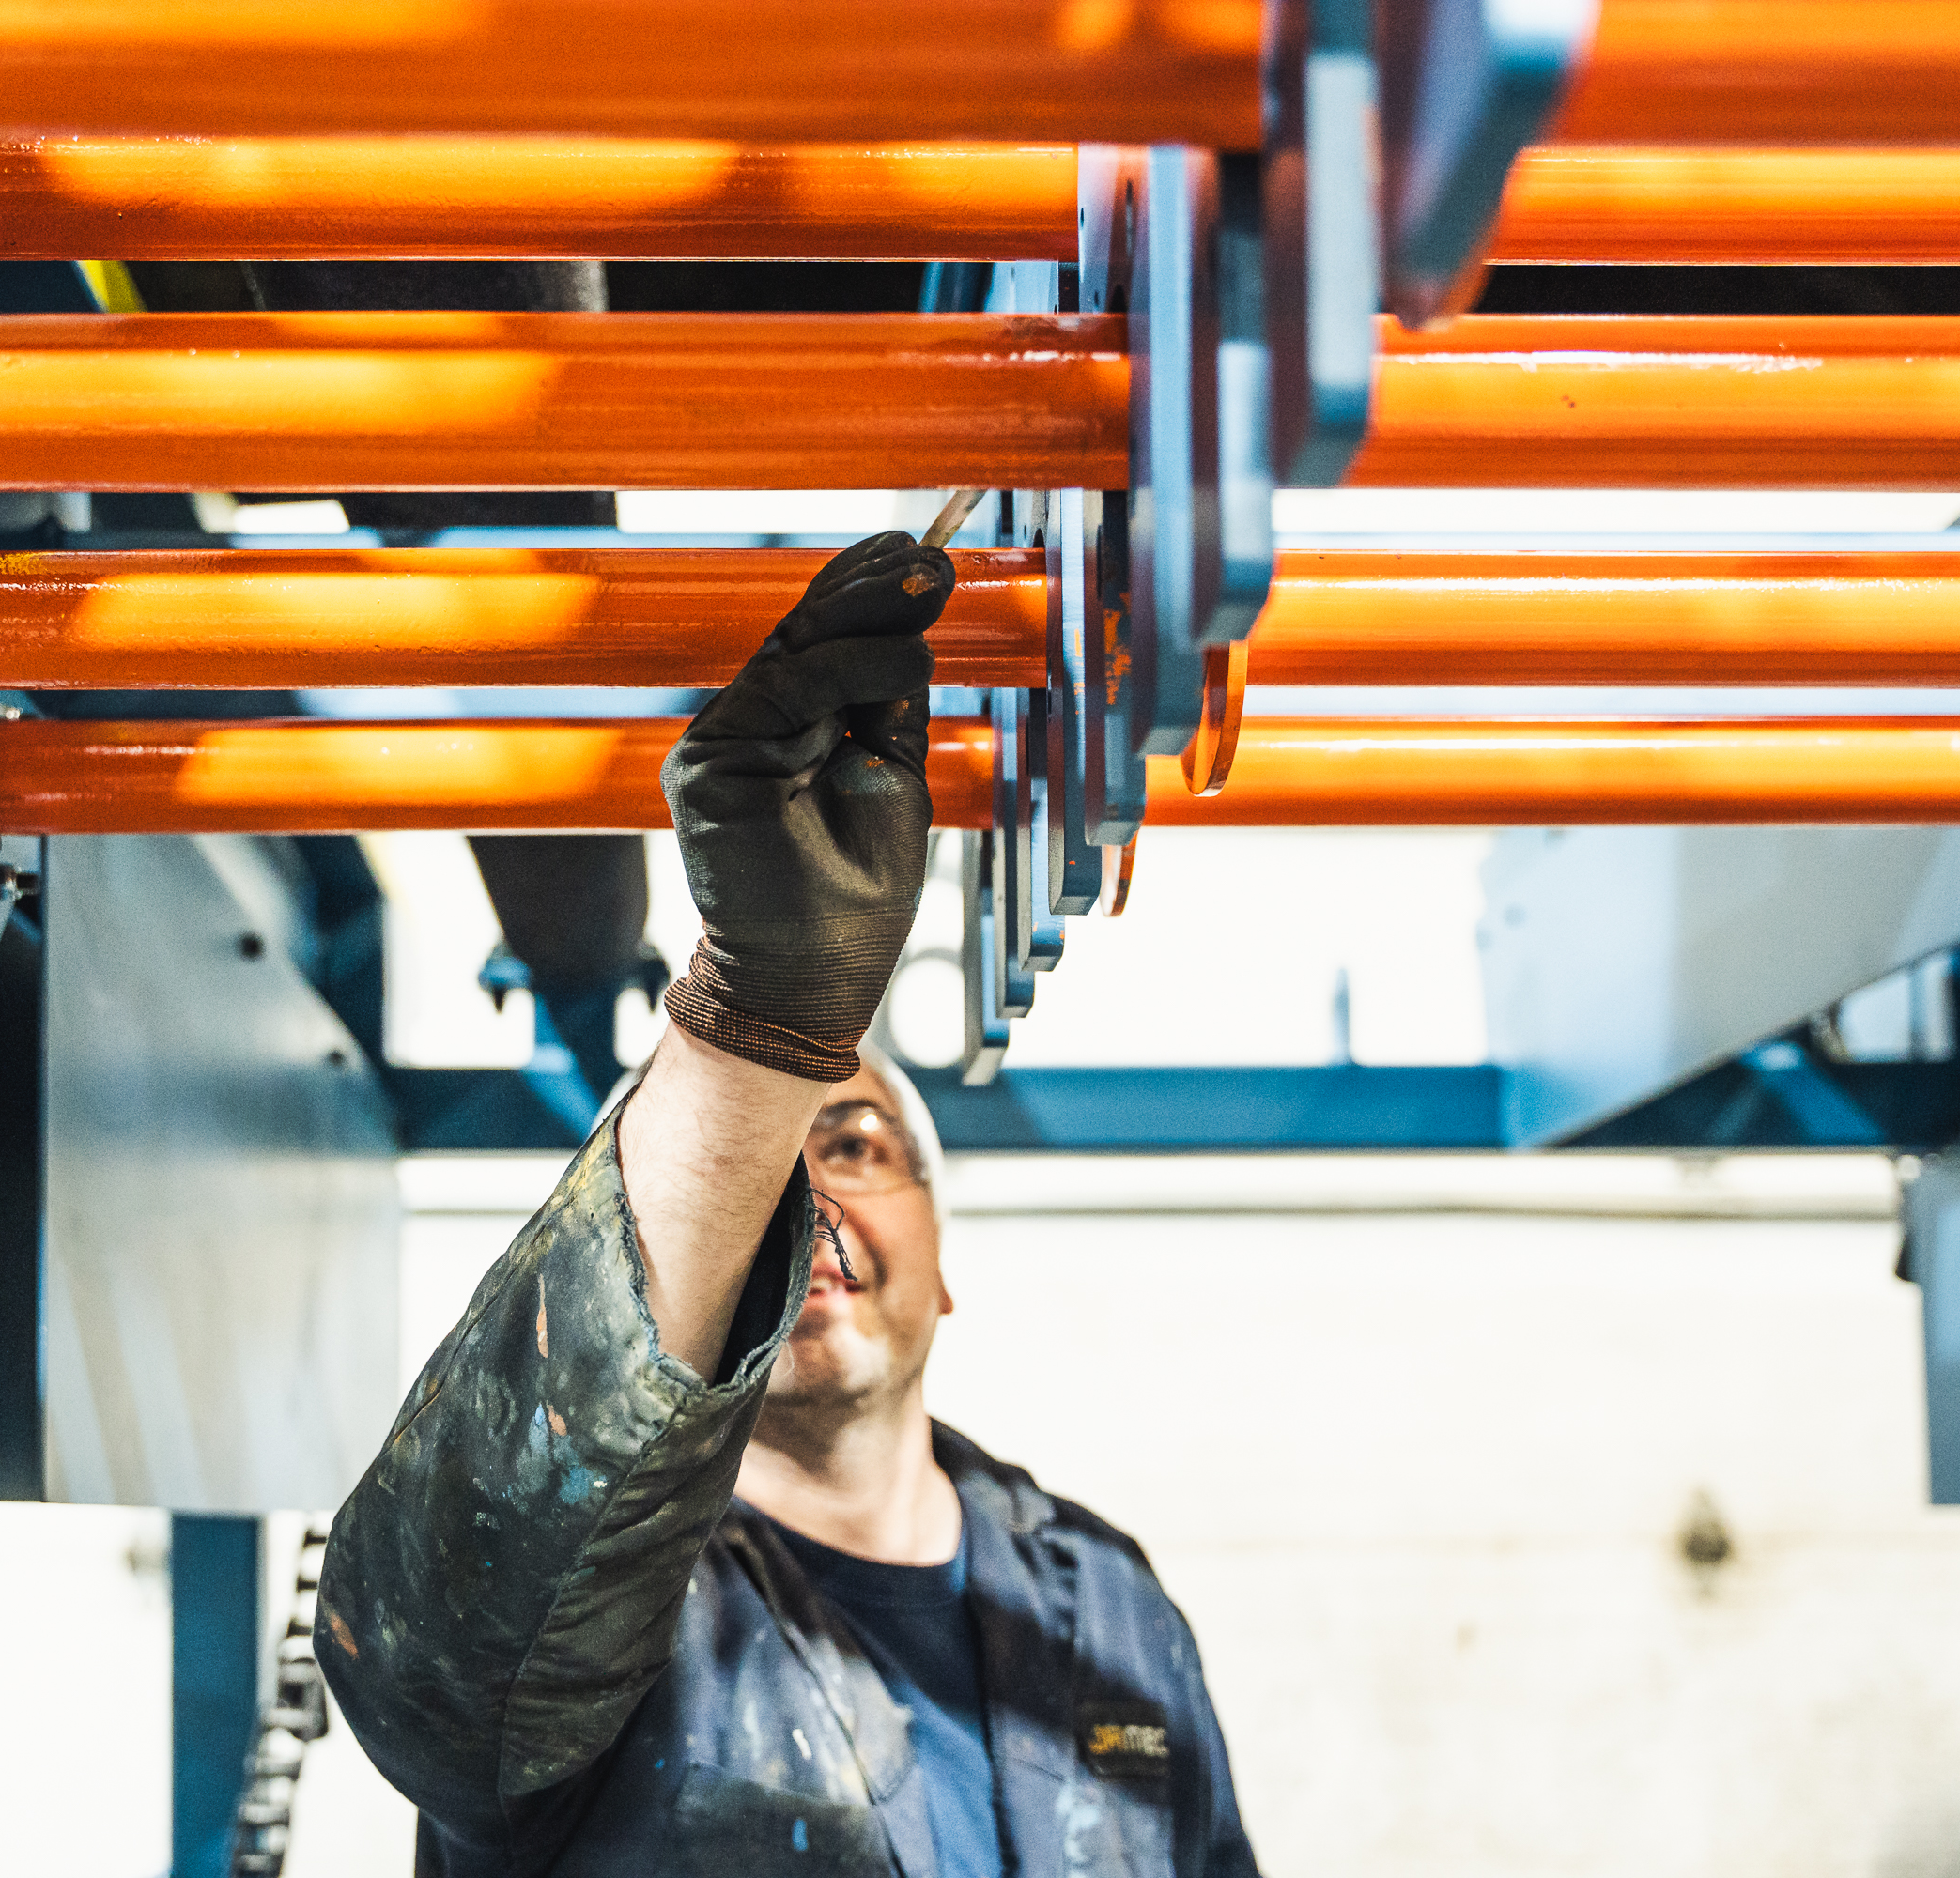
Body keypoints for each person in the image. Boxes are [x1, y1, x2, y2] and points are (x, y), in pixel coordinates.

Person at [319, 532, 1260, 1877]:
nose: (805, 1203)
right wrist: (757, 1028)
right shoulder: (594, 1610)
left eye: (859, 1146)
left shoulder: (1108, 1600)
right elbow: (427, 1655)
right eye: (762, 1171)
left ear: (945, 1262)